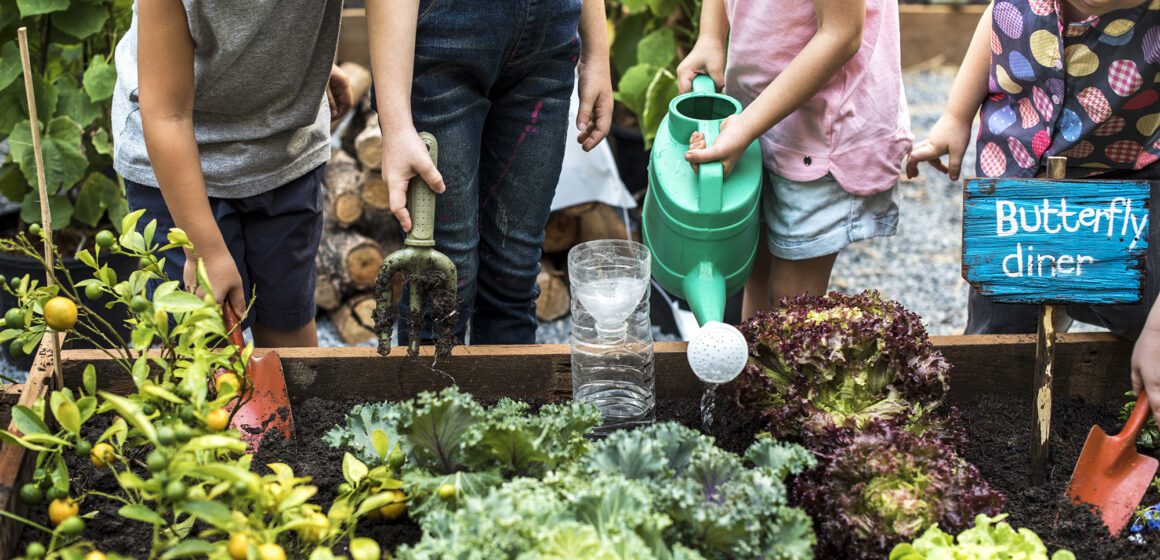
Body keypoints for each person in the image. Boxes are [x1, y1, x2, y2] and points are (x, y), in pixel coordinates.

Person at [907, 1, 1159, 422]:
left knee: (1140, 308)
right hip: (1020, 185)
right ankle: (990, 420)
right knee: (1001, 331)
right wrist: (955, 116)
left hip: (1125, 178)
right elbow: (997, 20)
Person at [366, 0, 612, 345]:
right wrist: (395, 125)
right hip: (444, 36)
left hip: (549, 41)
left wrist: (596, 55)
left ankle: (507, 397)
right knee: (446, 272)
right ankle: (427, 397)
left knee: (515, 271)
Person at [111, 0, 352, 347]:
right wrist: (203, 249)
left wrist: (309, 57)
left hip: (285, 153)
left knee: (288, 324)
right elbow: (167, 117)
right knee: (201, 339)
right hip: (179, 164)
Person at [677, 0, 911, 318]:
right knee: (755, 271)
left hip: (821, 131)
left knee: (791, 301)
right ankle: (754, 364)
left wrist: (745, 127)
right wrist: (711, 35)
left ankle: (785, 365)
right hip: (755, 114)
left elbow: (841, 34)